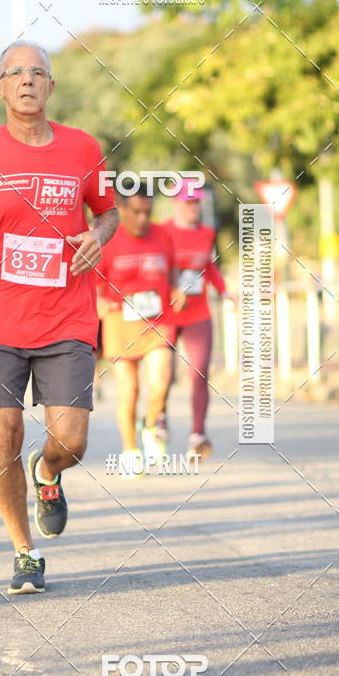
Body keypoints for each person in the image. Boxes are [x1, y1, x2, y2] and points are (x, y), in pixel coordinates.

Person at [0, 39, 118, 594]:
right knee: (4, 437)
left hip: (67, 316)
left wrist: (99, 234)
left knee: (71, 441)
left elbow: (108, 213)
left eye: (37, 72)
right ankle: (24, 552)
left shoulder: (83, 148)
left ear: (50, 86)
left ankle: (48, 472)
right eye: (15, 72)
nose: (26, 80)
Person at [97, 181, 185, 474]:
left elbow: (172, 269)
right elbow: (91, 283)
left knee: (161, 381)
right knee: (130, 390)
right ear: (121, 209)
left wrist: (177, 289)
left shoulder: (163, 235)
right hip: (120, 324)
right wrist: (97, 302)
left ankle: (151, 422)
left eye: (148, 211)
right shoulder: (108, 240)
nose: (143, 219)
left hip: (158, 322)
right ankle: (130, 450)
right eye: (136, 212)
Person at [163, 183, 229, 459]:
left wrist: (224, 291)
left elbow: (208, 266)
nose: (193, 207)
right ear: (175, 203)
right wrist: (170, 291)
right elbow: (154, 268)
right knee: (163, 372)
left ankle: (198, 434)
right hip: (167, 311)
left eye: (197, 201)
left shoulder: (207, 233)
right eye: (188, 202)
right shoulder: (162, 232)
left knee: (199, 371)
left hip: (198, 311)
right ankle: (159, 419)